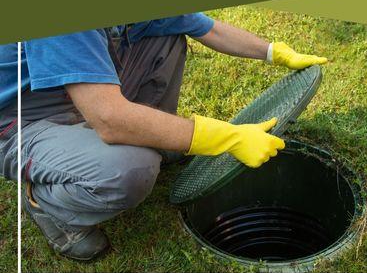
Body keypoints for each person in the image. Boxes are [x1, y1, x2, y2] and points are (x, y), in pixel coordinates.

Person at [0, 13, 327, 260]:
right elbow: (109, 118)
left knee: (166, 38)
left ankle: (148, 135)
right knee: (130, 169)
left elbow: (206, 28)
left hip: (80, 89)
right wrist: (225, 137)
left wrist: (273, 51)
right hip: (24, 117)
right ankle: (45, 202)